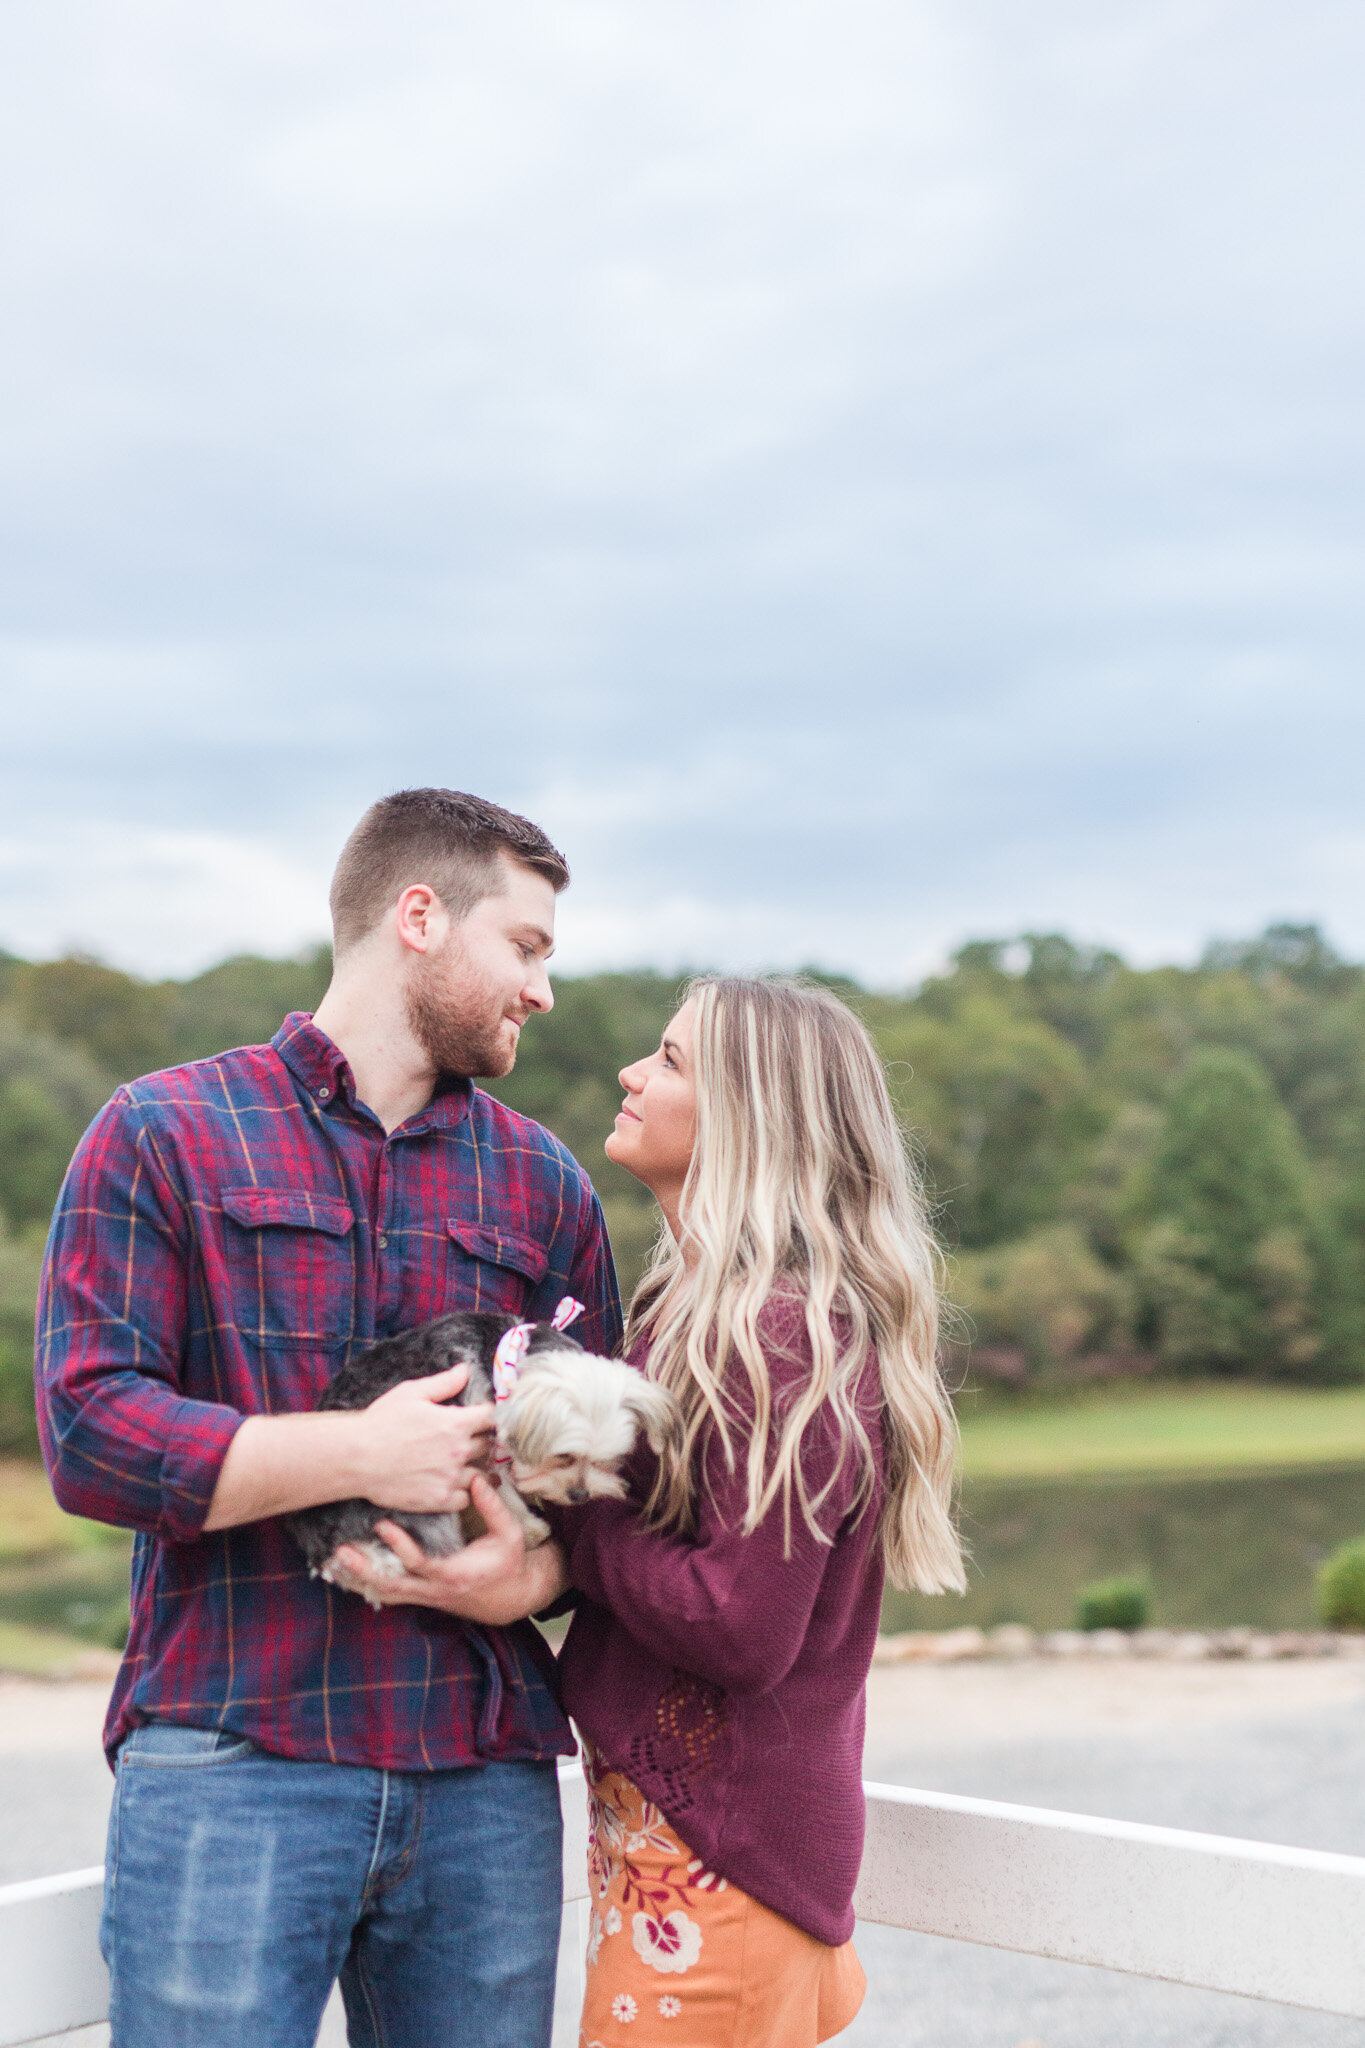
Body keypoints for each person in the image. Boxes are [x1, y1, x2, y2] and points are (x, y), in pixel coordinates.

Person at [35, 787, 622, 2048]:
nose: (542, 989)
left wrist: (529, 1576)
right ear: (420, 914)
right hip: (233, 1757)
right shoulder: (161, 1131)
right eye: (525, 946)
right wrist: (357, 1451)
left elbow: (610, 1490)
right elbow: (90, 1429)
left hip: (481, 1778)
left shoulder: (546, 1181)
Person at [551, 975, 966, 2047]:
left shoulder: (782, 1334)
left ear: (750, 1117)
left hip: (718, 1877)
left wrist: (576, 1516)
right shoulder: (694, 1311)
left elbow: (741, 1624)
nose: (632, 1074)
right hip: (691, 1859)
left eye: (671, 1060)